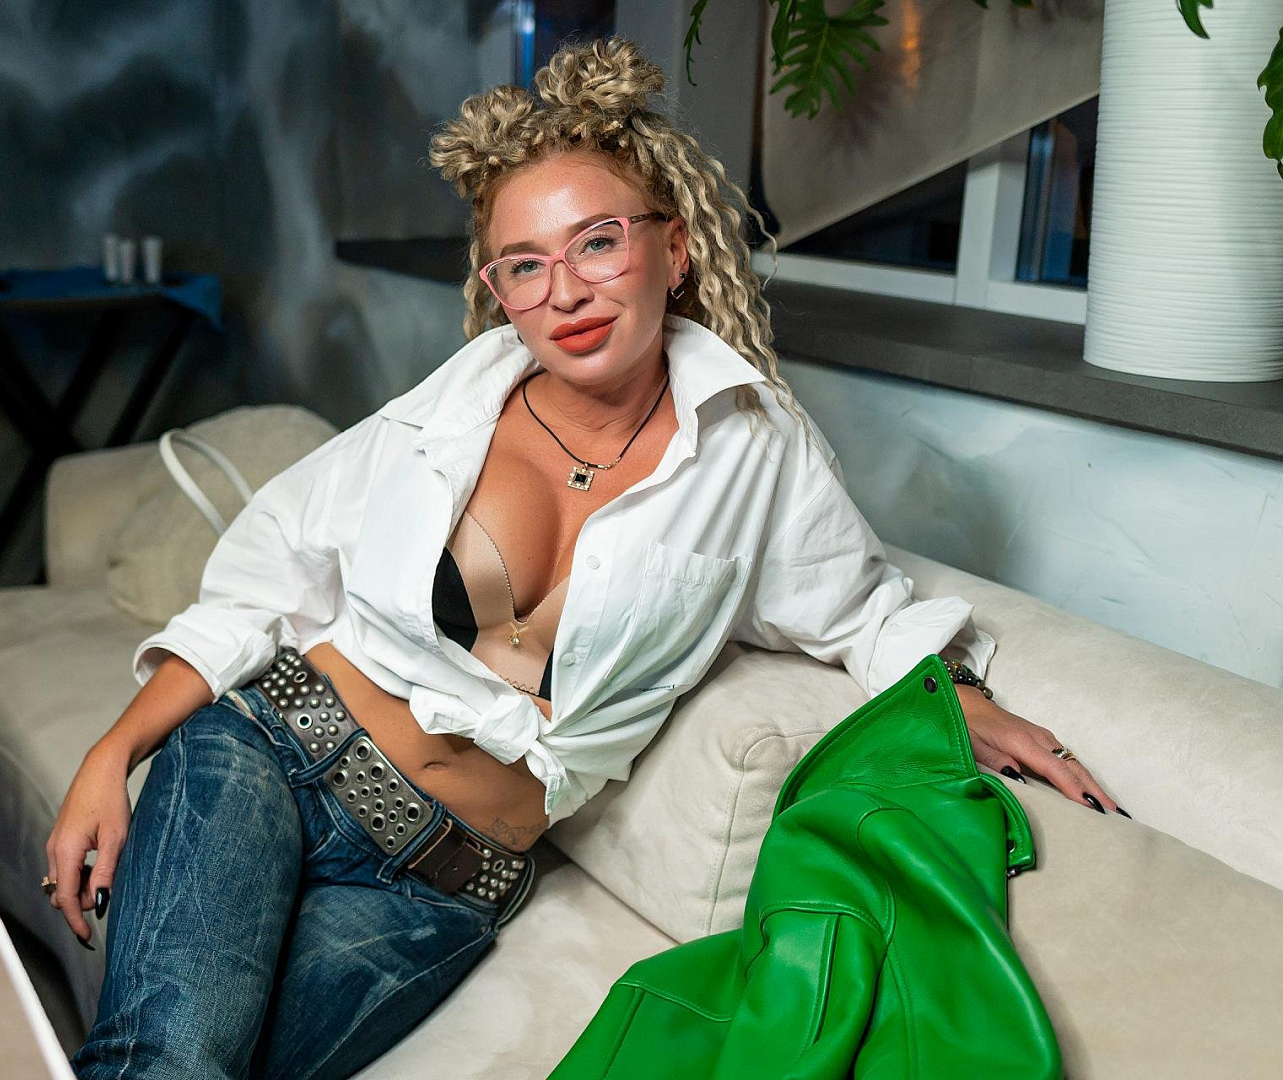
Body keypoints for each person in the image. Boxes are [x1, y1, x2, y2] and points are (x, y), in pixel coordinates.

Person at [56, 35, 1125, 1080]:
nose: (564, 292)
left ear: (676, 249)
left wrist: (959, 699)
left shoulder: (755, 449)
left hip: (443, 886)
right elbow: (265, 578)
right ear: (499, 287)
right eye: (526, 265)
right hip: (269, 756)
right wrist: (113, 754)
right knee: (167, 1061)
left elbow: (857, 608)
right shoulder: (450, 408)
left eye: (598, 243)